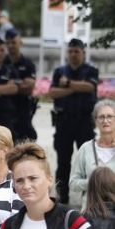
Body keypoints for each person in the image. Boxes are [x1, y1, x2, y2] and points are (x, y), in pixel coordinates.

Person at [43, 38, 100, 203]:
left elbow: (89, 87)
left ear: (83, 53)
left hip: (84, 122)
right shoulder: (60, 71)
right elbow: (53, 92)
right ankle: (62, 198)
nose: (73, 54)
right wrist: (75, 88)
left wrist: (67, 85)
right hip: (64, 122)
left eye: (77, 51)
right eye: (71, 51)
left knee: (88, 161)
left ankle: (91, 199)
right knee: (63, 163)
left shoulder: (91, 70)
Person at [68, 101, 115, 210]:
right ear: (96, 121)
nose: (105, 120)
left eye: (110, 116)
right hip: (91, 212)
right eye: (101, 117)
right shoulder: (86, 148)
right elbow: (73, 183)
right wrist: (93, 182)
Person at [4, 29, 38, 142]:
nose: (10, 46)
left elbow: (29, 87)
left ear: (20, 43)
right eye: (8, 43)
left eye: (13, 42)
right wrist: (20, 85)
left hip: (22, 108)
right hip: (4, 109)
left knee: (25, 142)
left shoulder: (28, 64)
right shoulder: (2, 63)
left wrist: (10, 86)